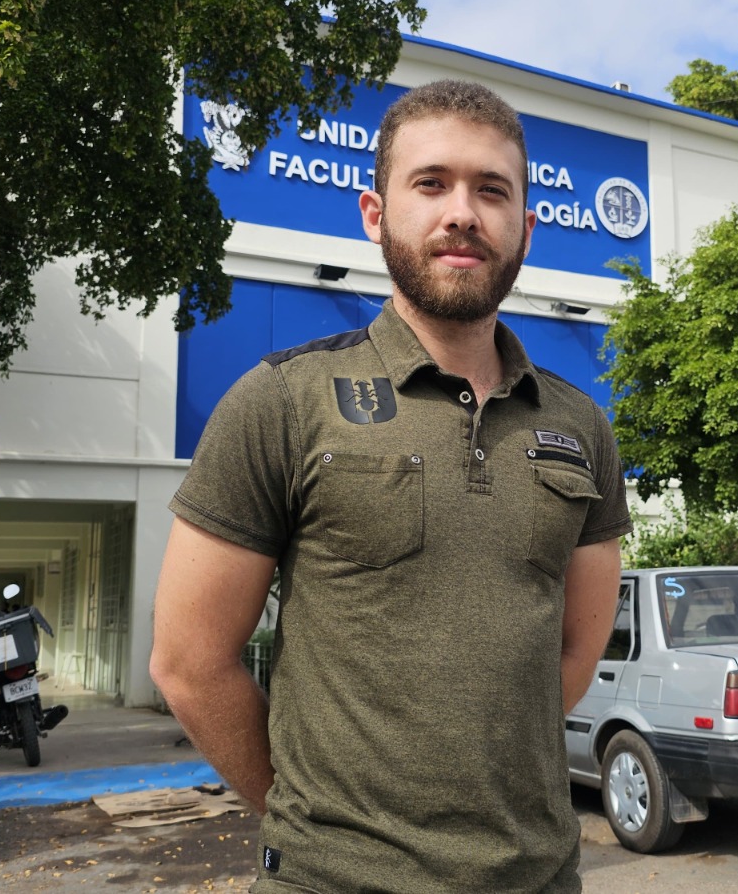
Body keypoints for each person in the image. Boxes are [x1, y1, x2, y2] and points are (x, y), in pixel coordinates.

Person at [151, 79, 631, 894]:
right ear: (374, 213)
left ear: (526, 228)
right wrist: (314, 826)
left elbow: (577, 650)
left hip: (540, 876)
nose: (463, 213)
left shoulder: (582, 424)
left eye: (492, 191)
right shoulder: (282, 400)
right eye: (432, 183)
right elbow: (190, 663)